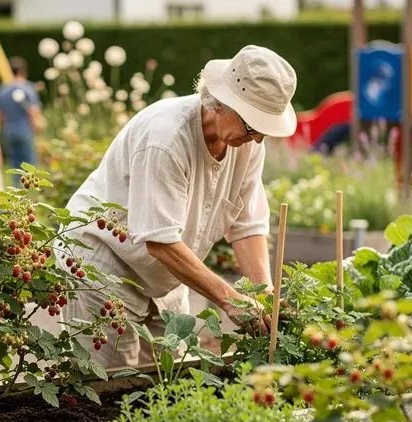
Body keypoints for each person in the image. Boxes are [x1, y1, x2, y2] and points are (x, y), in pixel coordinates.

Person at [61, 45, 295, 368]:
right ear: (223, 104)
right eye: (253, 127)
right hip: (105, 263)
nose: (257, 139)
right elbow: (159, 240)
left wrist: (265, 293)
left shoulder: (247, 145)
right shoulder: (166, 138)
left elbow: (246, 225)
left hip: (166, 277)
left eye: (264, 131)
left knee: (177, 374)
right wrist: (231, 299)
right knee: (107, 384)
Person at [0, 57, 44, 187]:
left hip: (9, 131)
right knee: (29, 163)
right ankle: (31, 189)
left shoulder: (1, 90)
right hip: (25, 130)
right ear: (23, 71)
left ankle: (17, 189)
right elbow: (33, 111)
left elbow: (0, 115)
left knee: (15, 164)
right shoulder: (28, 88)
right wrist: (37, 128)